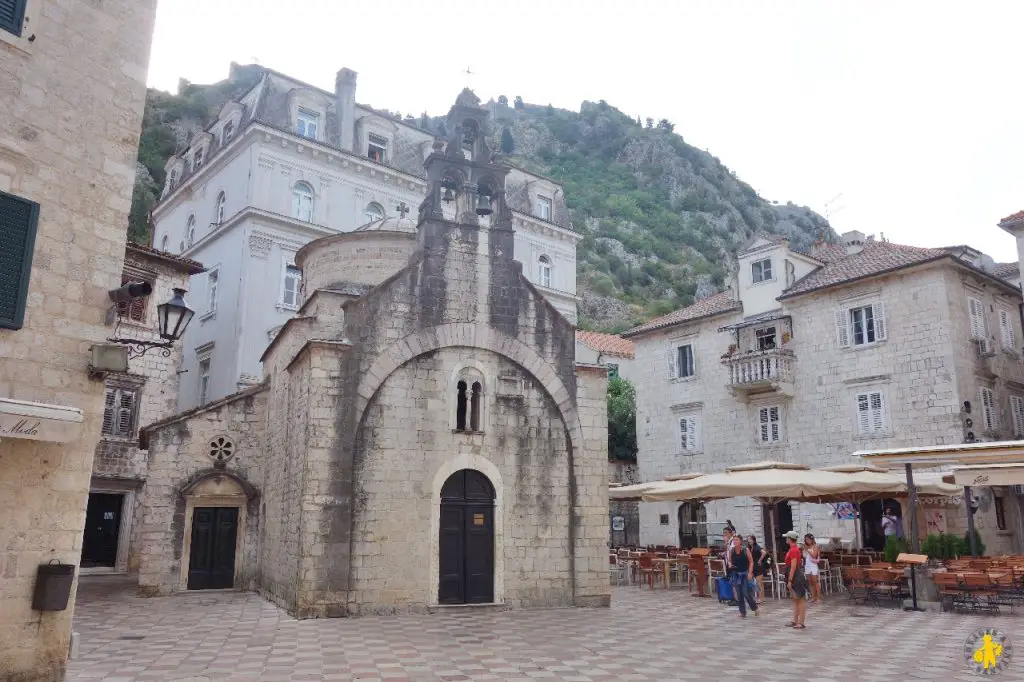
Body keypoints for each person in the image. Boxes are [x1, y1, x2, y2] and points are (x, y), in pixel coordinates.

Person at [729, 533, 758, 617]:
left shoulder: (745, 550)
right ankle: (742, 612)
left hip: (744, 574)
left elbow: (751, 562)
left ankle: (755, 608)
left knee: (746, 593)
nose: (735, 541)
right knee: (739, 594)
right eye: (734, 540)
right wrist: (730, 564)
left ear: (741, 541)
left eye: (737, 540)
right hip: (736, 574)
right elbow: (730, 560)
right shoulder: (732, 550)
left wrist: (750, 573)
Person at [784, 530, 807, 629]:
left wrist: (789, 580)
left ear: (790, 539)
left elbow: (793, 566)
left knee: (800, 599)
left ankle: (801, 622)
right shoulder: (793, 549)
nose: (786, 539)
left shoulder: (794, 550)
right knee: (795, 599)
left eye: (787, 538)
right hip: (794, 575)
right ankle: (795, 620)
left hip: (796, 576)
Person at [748, 534, 767, 604]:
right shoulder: (750, 548)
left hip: (758, 567)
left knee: (759, 583)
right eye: (748, 539)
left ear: (753, 540)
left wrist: (759, 560)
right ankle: (761, 598)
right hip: (754, 567)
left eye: (750, 539)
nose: (749, 541)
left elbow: (764, 553)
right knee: (757, 583)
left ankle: (761, 598)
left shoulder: (757, 547)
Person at [804, 533, 822, 604]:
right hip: (807, 565)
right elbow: (805, 556)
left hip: (813, 566)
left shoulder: (815, 547)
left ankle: (818, 598)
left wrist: (808, 550)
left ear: (812, 539)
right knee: (810, 582)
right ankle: (813, 597)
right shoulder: (806, 547)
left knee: (815, 582)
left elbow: (814, 556)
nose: (807, 541)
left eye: (808, 539)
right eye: (806, 540)